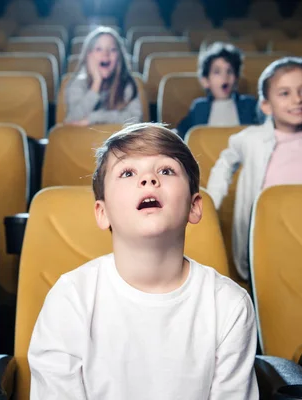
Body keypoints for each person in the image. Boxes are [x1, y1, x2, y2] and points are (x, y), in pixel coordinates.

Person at [28, 123, 258, 399]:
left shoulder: (229, 304)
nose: (149, 179)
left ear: (194, 206)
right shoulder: (70, 298)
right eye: (127, 172)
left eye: (166, 170)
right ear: (103, 213)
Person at [206, 57, 302, 280]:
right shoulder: (250, 139)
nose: (297, 100)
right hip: (271, 229)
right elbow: (224, 164)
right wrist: (212, 201)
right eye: (284, 93)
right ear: (266, 105)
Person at [176, 42, 258, 138]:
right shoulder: (199, 107)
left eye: (229, 71)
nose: (225, 76)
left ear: (236, 78)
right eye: (217, 72)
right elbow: (181, 134)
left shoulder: (249, 104)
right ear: (205, 81)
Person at [65, 26, 142, 126]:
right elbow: (73, 120)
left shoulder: (127, 84)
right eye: (98, 49)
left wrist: (94, 118)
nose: (105, 54)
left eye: (112, 49)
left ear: (119, 57)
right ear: (89, 55)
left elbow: (136, 120)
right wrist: (96, 83)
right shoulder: (78, 83)